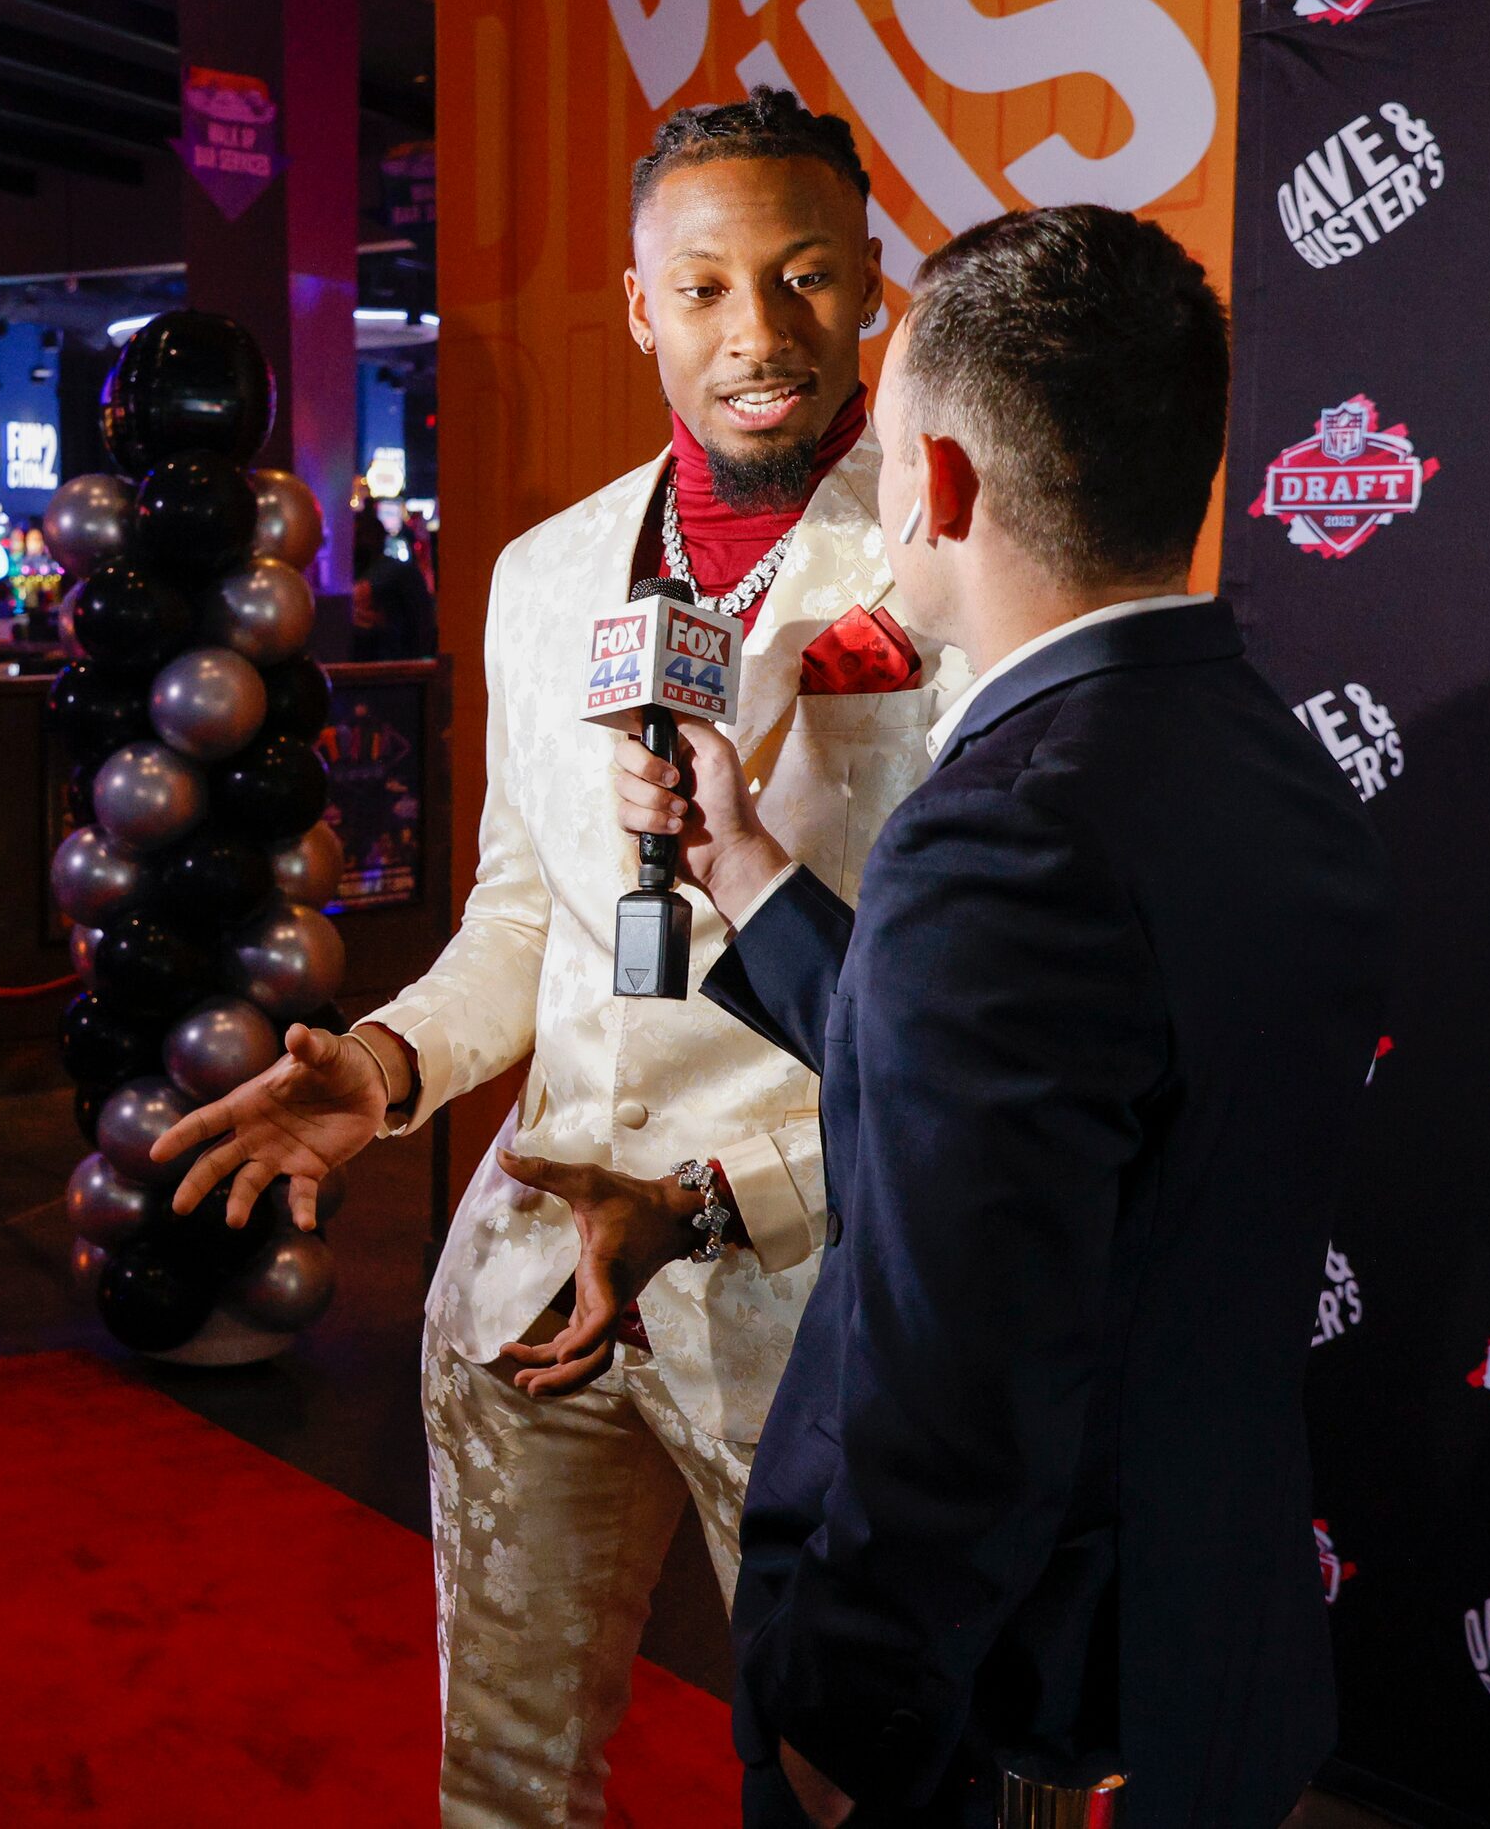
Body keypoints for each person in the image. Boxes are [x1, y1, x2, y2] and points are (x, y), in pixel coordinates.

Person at [151, 90, 961, 1825]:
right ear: (634, 301)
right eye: (707, 287)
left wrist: (719, 1189)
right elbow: (520, 917)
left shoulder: (955, 563)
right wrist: (377, 1064)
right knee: (506, 1779)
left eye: (809, 278)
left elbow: (969, 1022)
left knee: (852, 1789)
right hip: (528, 1257)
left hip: (819, 1299)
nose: (759, 335)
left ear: (876, 286)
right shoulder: (544, 574)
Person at [611, 208, 1391, 1826]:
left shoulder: (1011, 827)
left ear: (940, 481)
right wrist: (747, 867)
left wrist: (848, 1724)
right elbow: (1033, 1118)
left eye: (887, 443)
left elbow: (955, 1365)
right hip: (1219, 1647)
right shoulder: (1267, 759)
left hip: (1011, 1709)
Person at [347, 508, 437, 660]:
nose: (355, 542)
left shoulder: (393, 571)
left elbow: (362, 592)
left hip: (392, 665)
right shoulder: (397, 569)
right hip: (405, 665)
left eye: (360, 535)